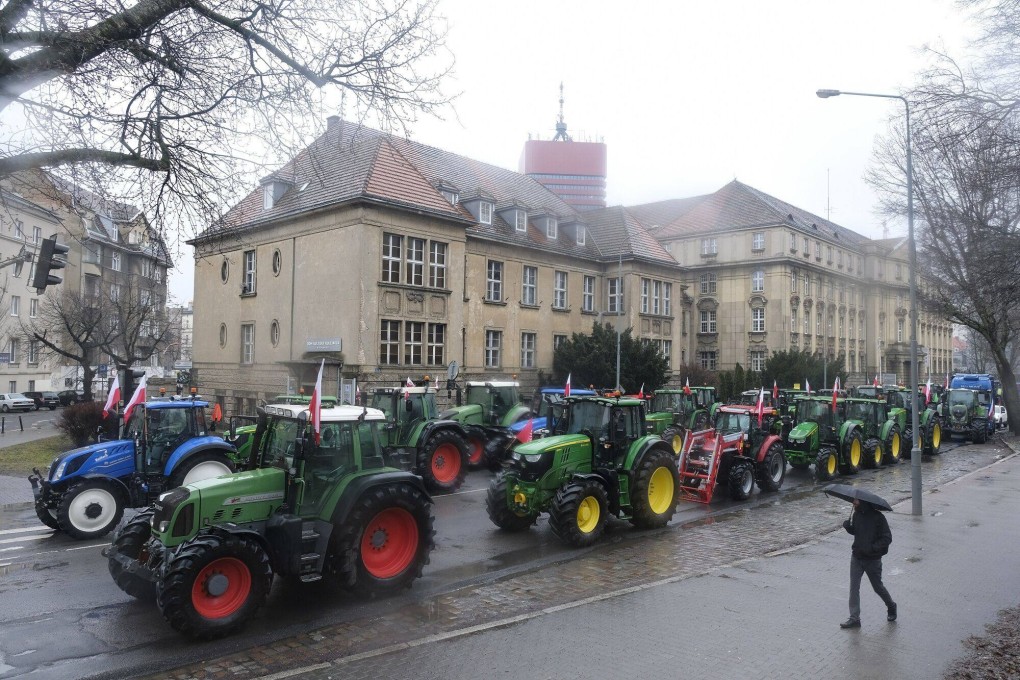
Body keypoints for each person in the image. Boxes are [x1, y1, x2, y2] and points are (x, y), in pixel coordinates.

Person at [841, 498, 896, 628]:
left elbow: (887, 538)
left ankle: (891, 606)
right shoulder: (857, 514)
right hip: (857, 557)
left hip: (872, 560)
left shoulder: (879, 518)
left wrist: (873, 548)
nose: (853, 503)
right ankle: (854, 618)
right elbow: (857, 531)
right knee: (854, 588)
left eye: (856, 501)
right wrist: (848, 527)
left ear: (864, 502)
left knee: (878, 587)